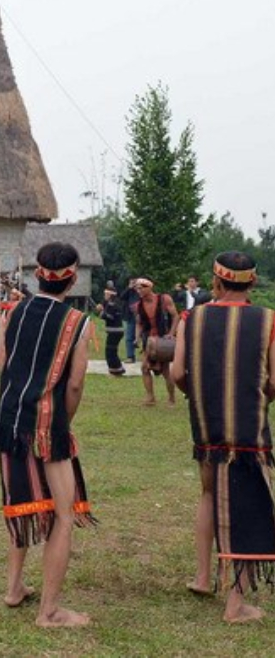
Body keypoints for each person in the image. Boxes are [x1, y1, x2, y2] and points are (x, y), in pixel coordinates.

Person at [0, 242, 95, 628]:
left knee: (20, 502)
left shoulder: (13, 311)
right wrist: (61, 423)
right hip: (48, 425)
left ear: (38, 274)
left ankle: (14, 588)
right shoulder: (78, 322)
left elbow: (3, 364)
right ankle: (50, 612)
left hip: (9, 421)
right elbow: (74, 385)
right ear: (72, 277)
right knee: (63, 516)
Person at [172, 252, 275, 624]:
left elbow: (178, 371)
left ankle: (202, 577)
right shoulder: (267, 321)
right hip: (248, 431)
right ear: (251, 283)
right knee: (247, 504)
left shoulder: (192, 317)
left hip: (207, 424)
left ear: (216, 282)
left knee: (208, 493)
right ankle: (236, 605)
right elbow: (274, 380)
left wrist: (198, 394)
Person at [135, 277, 179, 405]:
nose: (139, 290)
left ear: (149, 287)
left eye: (141, 287)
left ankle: (171, 398)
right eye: (137, 288)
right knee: (145, 368)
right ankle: (150, 397)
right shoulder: (139, 305)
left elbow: (175, 316)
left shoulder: (164, 299)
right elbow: (139, 323)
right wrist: (136, 338)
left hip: (162, 339)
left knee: (165, 370)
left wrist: (171, 334)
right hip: (148, 340)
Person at [97, 282, 126, 376]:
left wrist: (101, 311)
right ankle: (117, 370)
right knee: (112, 351)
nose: (104, 296)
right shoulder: (111, 303)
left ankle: (116, 371)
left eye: (106, 294)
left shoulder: (113, 304)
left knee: (110, 352)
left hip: (115, 331)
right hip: (115, 331)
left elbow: (109, 317)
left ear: (110, 295)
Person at [119, 277, 140, 363]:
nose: (133, 284)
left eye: (134, 282)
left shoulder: (141, 291)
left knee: (144, 337)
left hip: (141, 316)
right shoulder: (129, 292)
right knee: (129, 337)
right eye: (131, 282)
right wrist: (129, 288)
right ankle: (130, 356)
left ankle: (149, 356)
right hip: (131, 317)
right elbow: (122, 297)